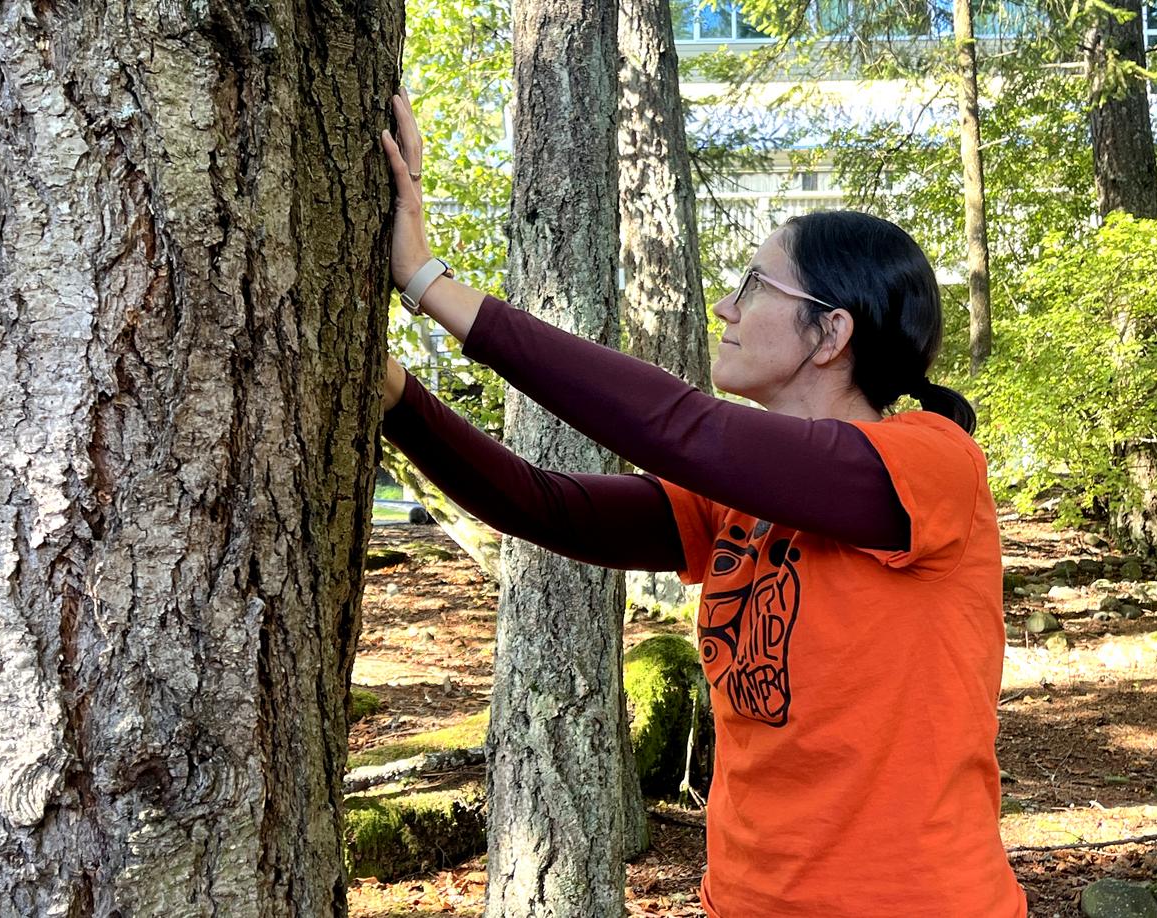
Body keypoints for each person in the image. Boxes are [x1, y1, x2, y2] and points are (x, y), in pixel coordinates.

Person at [377, 89, 1028, 917]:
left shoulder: (930, 464)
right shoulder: (733, 499)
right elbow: (547, 506)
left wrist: (428, 281)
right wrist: (398, 398)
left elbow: (681, 429)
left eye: (754, 284)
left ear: (831, 334)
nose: (727, 305)